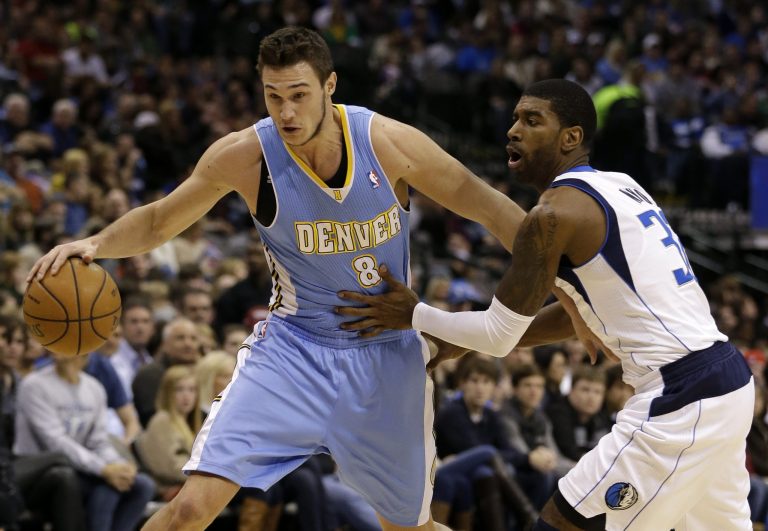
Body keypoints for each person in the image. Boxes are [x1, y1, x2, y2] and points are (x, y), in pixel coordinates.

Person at [27, 27, 526, 530]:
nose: (286, 112)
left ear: (330, 86)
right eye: (273, 96)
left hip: (385, 356)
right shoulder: (245, 155)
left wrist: (567, 285)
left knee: (408, 528)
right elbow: (160, 219)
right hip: (293, 352)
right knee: (188, 511)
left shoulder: (387, 143)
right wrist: (95, 244)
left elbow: (489, 206)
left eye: (299, 95)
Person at [337, 79, 755, 530]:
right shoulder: (622, 186)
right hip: (726, 381)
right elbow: (582, 313)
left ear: (571, 137)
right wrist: (457, 344)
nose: (514, 130)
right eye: (515, 118)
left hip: (680, 396)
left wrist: (414, 313)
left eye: (532, 121)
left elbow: (500, 335)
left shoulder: (553, 216)